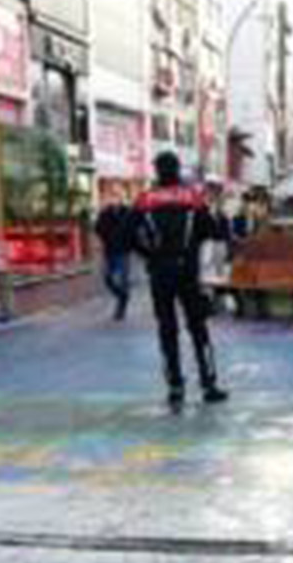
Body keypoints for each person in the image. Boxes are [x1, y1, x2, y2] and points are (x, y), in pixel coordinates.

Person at [131, 152, 228, 407]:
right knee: (198, 328)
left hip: (160, 274)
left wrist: (149, 255)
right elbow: (214, 231)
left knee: (167, 329)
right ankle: (209, 384)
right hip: (188, 271)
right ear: (177, 170)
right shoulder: (192, 198)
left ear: (157, 171)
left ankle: (175, 386)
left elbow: (126, 234)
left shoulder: (144, 200)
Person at [94, 189, 134, 321]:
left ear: (122, 198)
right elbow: (98, 228)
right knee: (107, 278)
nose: (115, 200)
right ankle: (122, 295)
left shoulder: (128, 212)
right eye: (113, 197)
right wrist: (104, 239)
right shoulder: (105, 213)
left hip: (123, 250)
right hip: (110, 250)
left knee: (123, 280)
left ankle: (121, 308)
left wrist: (131, 242)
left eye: (118, 197)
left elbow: (134, 228)